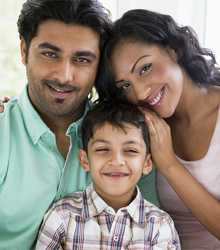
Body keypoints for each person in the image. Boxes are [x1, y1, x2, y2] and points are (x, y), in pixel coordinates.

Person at [0, 2, 160, 249]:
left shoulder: (130, 139)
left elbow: (147, 229)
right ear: (24, 51)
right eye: (50, 54)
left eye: (82, 59)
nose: (64, 76)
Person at [95, 9, 220, 250]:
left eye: (144, 68)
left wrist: (170, 165)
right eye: (125, 86)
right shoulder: (138, 125)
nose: (140, 93)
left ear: (174, 49)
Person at [35, 100, 180, 250]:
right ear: (85, 160)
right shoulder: (61, 217)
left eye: (131, 150)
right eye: (103, 149)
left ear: (147, 163)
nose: (116, 161)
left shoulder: (160, 226)